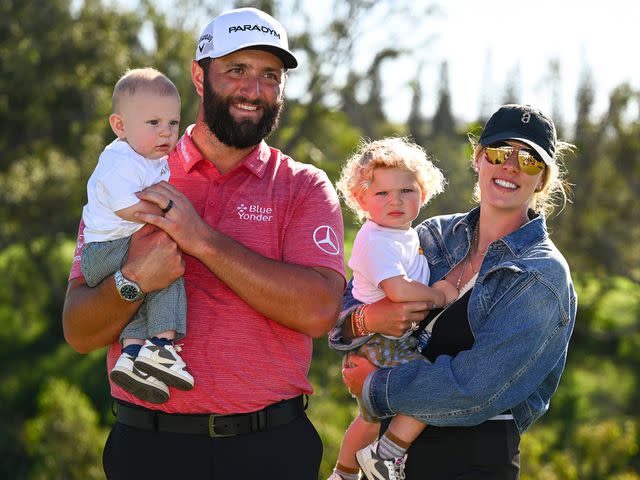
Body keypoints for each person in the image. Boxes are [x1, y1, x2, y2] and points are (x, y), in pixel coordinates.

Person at [62, 7, 346, 479]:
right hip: (149, 448)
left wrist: (202, 241)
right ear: (199, 76)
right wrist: (132, 280)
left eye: (270, 76)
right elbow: (79, 330)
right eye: (236, 70)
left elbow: (318, 311)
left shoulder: (305, 186)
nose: (254, 91)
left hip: (270, 448)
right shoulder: (131, 170)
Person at [331, 104, 577, 479]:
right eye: (498, 152)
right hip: (387, 461)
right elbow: (346, 320)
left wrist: (376, 386)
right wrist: (367, 321)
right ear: (478, 158)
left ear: (541, 179)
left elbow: (474, 389)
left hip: (472, 461)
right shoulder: (431, 235)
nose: (510, 166)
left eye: (528, 159)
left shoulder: (542, 274)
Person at [328, 137, 458, 480]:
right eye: (382, 194)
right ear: (361, 200)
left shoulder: (407, 234)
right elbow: (398, 292)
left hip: (390, 337)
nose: (395, 201)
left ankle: (343, 473)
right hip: (379, 340)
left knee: (369, 417)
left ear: (423, 194)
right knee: (431, 389)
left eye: (406, 191)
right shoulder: (376, 239)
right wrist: (438, 295)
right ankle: (387, 455)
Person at [80, 67, 192, 405]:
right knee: (167, 273)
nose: (166, 133)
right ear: (120, 126)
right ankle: (162, 347)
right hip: (106, 251)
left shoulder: (148, 157)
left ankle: (132, 358)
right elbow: (129, 209)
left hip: (116, 247)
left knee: (142, 295)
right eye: (154, 123)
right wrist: (171, 217)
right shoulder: (119, 160)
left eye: (173, 123)